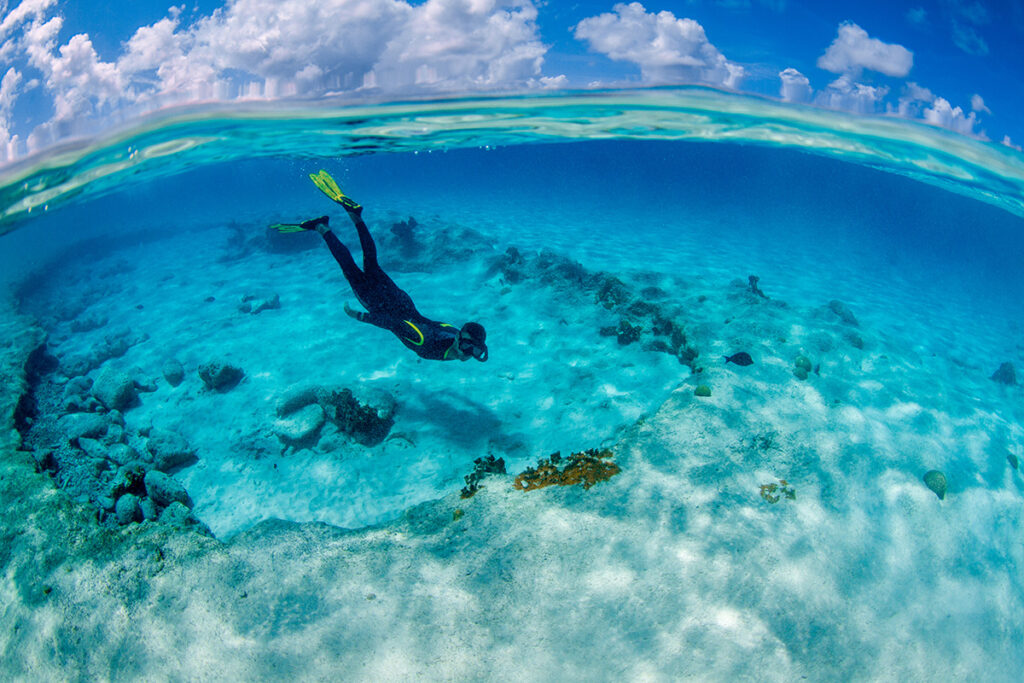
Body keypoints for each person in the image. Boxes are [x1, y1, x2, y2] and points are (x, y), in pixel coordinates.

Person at [272, 170, 488, 362]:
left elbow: (435, 324)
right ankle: (321, 226)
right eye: (466, 345)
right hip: (381, 305)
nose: (467, 352)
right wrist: (359, 316)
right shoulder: (426, 342)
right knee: (349, 267)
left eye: (475, 350)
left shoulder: (453, 335)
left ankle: (355, 215)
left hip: (402, 301)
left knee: (370, 262)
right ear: (459, 336)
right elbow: (392, 324)